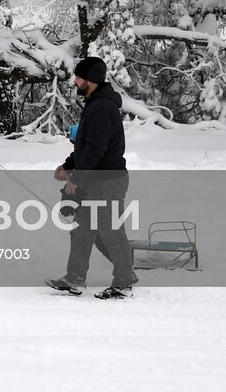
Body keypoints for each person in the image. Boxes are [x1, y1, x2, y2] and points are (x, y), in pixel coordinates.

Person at [46, 56, 138, 300]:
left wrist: (76, 180)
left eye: (78, 77)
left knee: (110, 230)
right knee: (83, 230)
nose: (74, 81)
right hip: (97, 178)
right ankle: (74, 278)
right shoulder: (96, 103)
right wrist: (68, 165)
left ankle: (125, 280)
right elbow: (86, 147)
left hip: (108, 181)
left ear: (91, 80)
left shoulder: (101, 107)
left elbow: (96, 150)